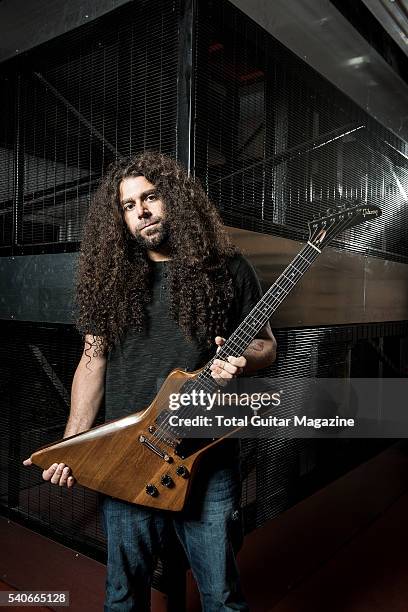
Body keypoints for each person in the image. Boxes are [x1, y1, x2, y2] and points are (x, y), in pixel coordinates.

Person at [24, 152, 276, 611]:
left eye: (151, 197)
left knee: (221, 596)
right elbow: (91, 362)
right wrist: (73, 445)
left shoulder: (229, 269)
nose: (141, 211)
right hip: (126, 454)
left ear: (174, 200)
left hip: (206, 456)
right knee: (124, 596)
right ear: (119, 217)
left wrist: (244, 359)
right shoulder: (110, 279)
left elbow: (266, 346)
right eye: (127, 205)